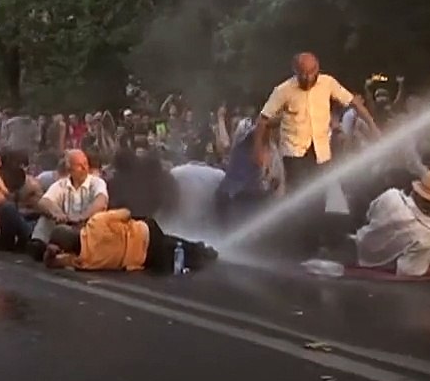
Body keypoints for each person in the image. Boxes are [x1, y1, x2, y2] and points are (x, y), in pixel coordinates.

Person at [255, 52, 378, 251]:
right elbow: (262, 120)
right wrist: (259, 151)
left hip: (321, 150)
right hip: (295, 151)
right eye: (302, 73)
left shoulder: (328, 83)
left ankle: (313, 241)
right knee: (302, 196)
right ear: (295, 71)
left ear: (317, 68)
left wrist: (372, 126)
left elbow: (353, 102)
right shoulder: (283, 90)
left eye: (311, 72)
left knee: (320, 195)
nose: (307, 77)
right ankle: (299, 243)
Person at [43, 209, 218, 273]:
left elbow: (53, 263)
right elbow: (125, 213)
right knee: (172, 242)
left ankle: (200, 256)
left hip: (143, 259)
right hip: (146, 233)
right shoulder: (96, 222)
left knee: (175, 252)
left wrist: (52, 252)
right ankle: (202, 250)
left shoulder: (84, 261)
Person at [355, 169, 430, 277]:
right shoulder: (429, 233)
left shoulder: (391, 196)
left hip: (355, 250)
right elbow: (408, 273)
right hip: (379, 276)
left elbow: (369, 215)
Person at [29, 149, 109, 260]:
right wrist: (56, 213)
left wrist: (82, 217)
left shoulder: (96, 182)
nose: (84, 168)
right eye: (79, 166)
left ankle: (58, 251)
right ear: (69, 168)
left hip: (86, 230)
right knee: (46, 220)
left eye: (85, 164)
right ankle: (45, 246)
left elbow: (101, 201)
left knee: (65, 233)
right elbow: (44, 202)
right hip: (65, 226)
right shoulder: (61, 185)